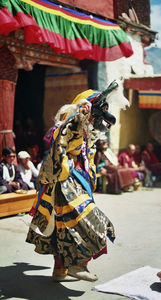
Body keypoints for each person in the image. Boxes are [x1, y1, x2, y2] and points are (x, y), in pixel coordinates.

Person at [26, 81, 125, 282]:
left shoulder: (85, 130)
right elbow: (65, 133)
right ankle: (78, 265)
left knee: (60, 226)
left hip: (72, 181)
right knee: (88, 222)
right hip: (66, 182)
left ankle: (60, 270)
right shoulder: (71, 123)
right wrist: (80, 116)